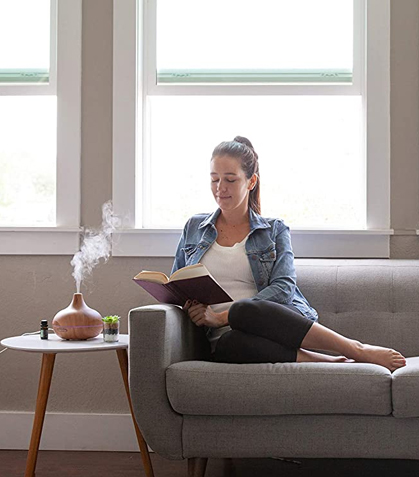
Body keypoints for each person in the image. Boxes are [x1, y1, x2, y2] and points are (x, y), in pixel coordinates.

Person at [173, 136, 406, 372]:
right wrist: (191, 307)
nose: (220, 188)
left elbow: (284, 288)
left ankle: (356, 349)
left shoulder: (274, 229)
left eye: (230, 180)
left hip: (267, 324)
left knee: (243, 310)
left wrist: (224, 316)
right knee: (228, 345)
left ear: (251, 181)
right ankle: (326, 361)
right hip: (225, 339)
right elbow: (177, 284)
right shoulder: (194, 227)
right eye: (214, 179)